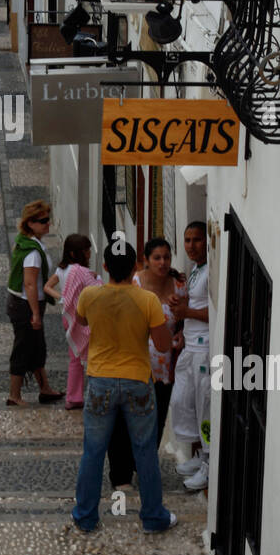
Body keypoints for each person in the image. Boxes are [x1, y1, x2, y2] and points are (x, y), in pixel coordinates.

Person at [71, 240, 177, 535]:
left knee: (93, 450)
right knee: (144, 450)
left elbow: (80, 319)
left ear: (104, 266)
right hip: (137, 382)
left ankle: (86, 516)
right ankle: (153, 517)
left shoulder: (90, 295)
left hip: (101, 380)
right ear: (135, 268)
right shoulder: (147, 301)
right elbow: (162, 345)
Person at [107, 237, 187, 491]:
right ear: (145, 260)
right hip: (134, 364)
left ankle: (144, 466)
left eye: (166, 257)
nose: (163, 262)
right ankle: (121, 475)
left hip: (164, 368)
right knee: (125, 419)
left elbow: (186, 319)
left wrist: (183, 331)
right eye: (157, 258)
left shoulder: (179, 286)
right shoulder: (135, 284)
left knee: (155, 420)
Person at [5, 200, 63, 407]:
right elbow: (30, 285)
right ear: (31, 223)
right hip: (25, 306)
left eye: (48, 219)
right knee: (23, 348)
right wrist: (35, 314)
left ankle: (45, 388)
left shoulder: (26, 240)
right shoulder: (31, 252)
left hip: (20, 303)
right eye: (43, 221)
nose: (48, 223)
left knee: (37, 346)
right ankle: (14, 395)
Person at [168, 220, 211, 491]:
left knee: (205, 406)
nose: (191, 245)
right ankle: (200, 454)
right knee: (182, 401)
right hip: (190, 346)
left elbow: (214, 311)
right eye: (187, 240)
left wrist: (187, 313)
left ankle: (208, 462)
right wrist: (181, 313)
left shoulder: (210, 271)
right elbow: (194, 305)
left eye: (196, 240)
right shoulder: (196, 270)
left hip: (204, 349)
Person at [43, 234, 101, 410]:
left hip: (68, 317)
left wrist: (63, 298)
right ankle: (91, 395)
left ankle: (73, 397)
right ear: (75, 254)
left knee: (75, 358)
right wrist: (97, 278)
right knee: (92, 356)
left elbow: (47, 286)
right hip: (82, 318)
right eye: (86, 251)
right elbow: (97, 290)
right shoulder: (81, 272)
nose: (89, 254)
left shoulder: (63, 270)